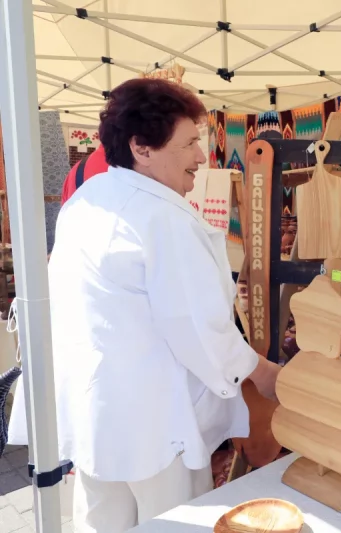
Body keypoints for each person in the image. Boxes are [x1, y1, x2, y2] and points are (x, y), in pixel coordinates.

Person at [47, 78, 281, 532]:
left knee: (101, 524)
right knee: (174, 524)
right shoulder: (162, 217)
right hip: (156, 427)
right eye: (191, 142)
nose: (201, 157)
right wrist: (265, 374)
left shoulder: (85, 201)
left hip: (97, 417)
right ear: (142, 147)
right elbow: (200, 330)